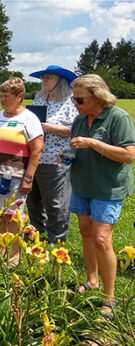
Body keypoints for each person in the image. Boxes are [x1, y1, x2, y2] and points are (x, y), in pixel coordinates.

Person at [62, 74, 135, 317]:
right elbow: (76, 146)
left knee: (102, 238)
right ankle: (91, 280)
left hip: (108, 187)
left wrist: (93, 144)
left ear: (98, 96)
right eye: (74, 99)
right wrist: (67, 155)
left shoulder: (118, 117)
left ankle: (110, 297)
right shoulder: (80, 119)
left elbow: (128, 155)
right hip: (83, 184)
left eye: (79, 100)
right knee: (85, 231)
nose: (75, 104)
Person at [0, 77, 44, 264]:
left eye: (6, 96)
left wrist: (29, 178)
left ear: (20, 96)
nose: (2, 100)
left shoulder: (29, 119)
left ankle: (14, 255)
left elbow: (37, 150)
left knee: (11, 215)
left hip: (13, 175)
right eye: (1, 96)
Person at [26, 65, 79, 244]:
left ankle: (56, 239)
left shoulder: (71, 101)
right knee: (33, 200)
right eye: (43, 78)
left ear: (60, 82)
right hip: (35, 157)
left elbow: (76, 130)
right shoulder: (39, 99)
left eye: (49, 78)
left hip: (60, 158)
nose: (44, 81)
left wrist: (48, 127)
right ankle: (36, 232)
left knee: (56, 202)